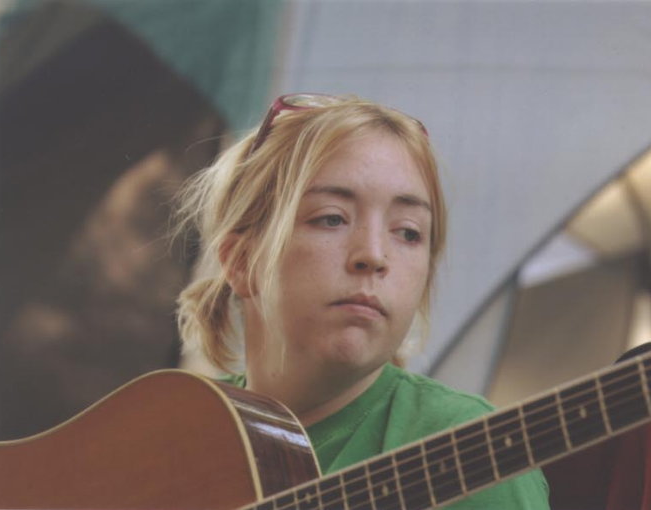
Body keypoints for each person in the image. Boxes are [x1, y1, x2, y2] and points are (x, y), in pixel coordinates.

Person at [175, 93, 549, 508]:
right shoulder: (167, 433)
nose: (373, 255)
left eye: (408, 232)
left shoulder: (471, 447)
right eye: (332, 218)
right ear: (242, 262)